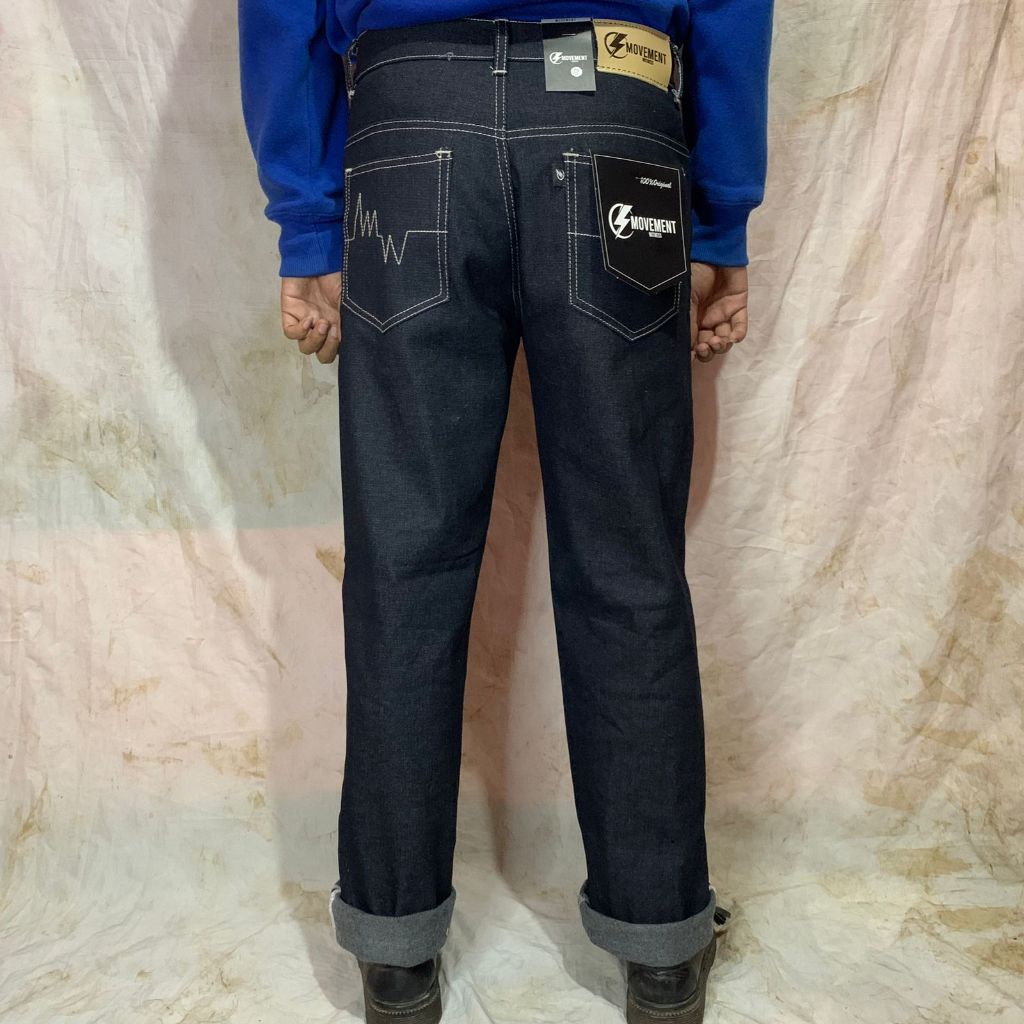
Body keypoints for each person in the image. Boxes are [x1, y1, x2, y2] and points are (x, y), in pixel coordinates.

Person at [238, 3, 772, 1022]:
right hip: (617, 112)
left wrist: (308, 220)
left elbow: (281, 11)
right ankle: (660, 943)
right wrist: (720, 217)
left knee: (403, 564)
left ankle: (395, 950)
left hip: (407, 125)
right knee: (628, 561)